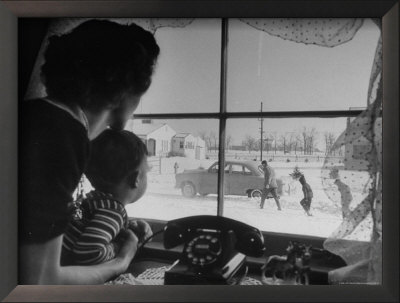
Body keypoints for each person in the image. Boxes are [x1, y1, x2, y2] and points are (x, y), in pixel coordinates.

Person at [19, 19, 160, 284]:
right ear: (127, 90)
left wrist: (115, 228)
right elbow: (40, 281)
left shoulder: (38, 117)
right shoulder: (60, 137)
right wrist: (122, 260)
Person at [62, 129, 152, 266]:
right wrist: (121, 246)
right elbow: (88, 254)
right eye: (147, 171)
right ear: (136, 179)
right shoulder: (112, 212)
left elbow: (85, 225)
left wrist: (126, 227)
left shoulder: (95, 202)